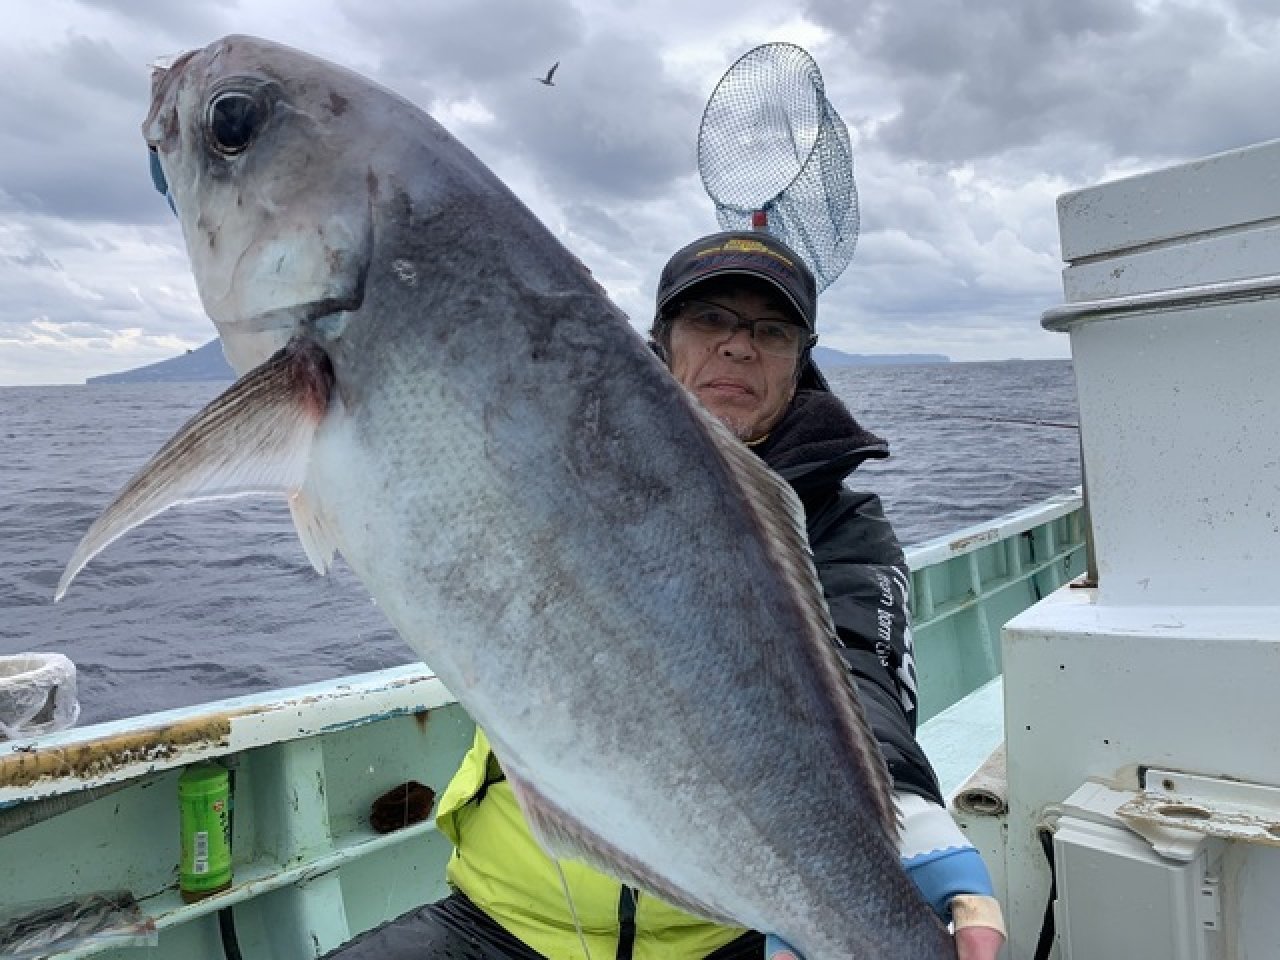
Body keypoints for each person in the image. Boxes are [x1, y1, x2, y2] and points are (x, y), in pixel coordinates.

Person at [324, 230, 1006, 960]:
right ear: (659, 342)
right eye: (710, 320)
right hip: (500, 918)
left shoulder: (839, 524)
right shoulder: (555, 458)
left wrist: (901, 815)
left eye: (771, 331)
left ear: (800, 360)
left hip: (728, 929)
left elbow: (862, 676)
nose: (739, 348)